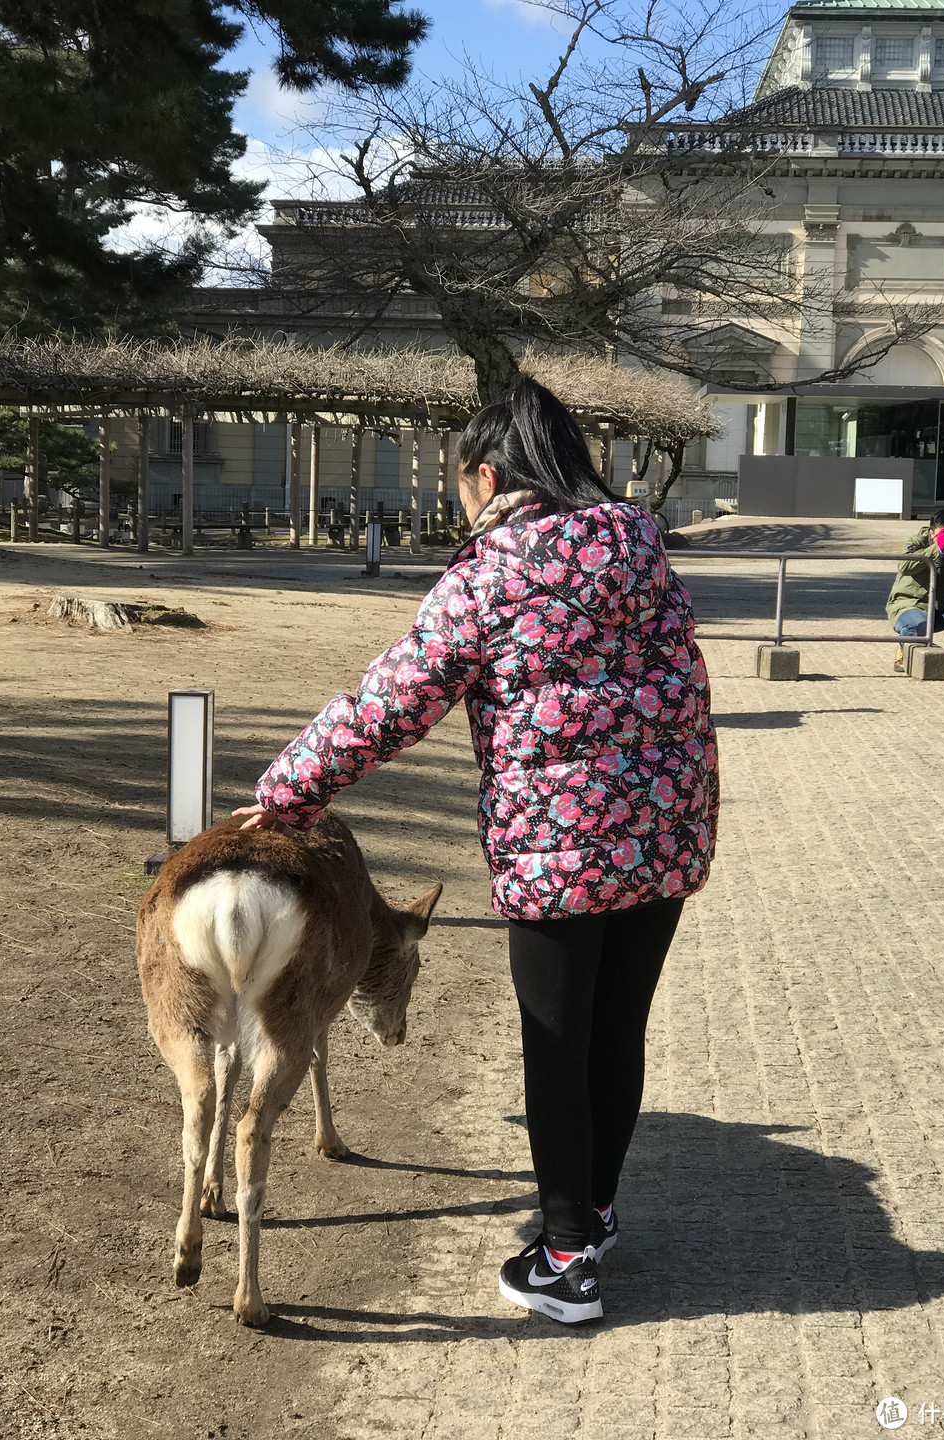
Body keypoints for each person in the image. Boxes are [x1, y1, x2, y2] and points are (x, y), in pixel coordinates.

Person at [233, 377, 719, 1324]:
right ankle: (599, 1213)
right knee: (617, 1034)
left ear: (488, 473)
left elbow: (393, 701)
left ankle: (567, 1259)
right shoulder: (644, 547)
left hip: (559, 846)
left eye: (463, 481)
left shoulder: (493, 569)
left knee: (556, 1041)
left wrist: (287, 790)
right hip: (664, 834)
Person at [886, 508, 944, 675]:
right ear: (931, 532)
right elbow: (903, 566)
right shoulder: (917, 541)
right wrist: (936, 549)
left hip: (939, 606)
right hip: (908, 605)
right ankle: (904, 652)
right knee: (918, 624)